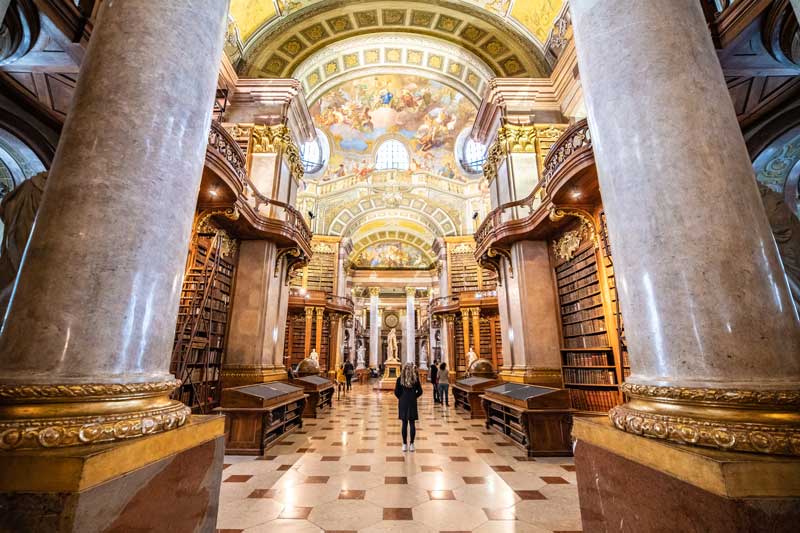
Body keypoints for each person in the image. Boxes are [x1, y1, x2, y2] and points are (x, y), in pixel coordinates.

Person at [394, 363, 423, 452]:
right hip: (412, 402)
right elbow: (420, 391)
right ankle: (412, 444)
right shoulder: (415, 379)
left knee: (404, 423)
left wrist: (401, 397)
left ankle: (404, 444)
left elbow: (396, 392)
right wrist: (414, 396)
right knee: (412, 423)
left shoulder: (400, 379)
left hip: (403, 403)